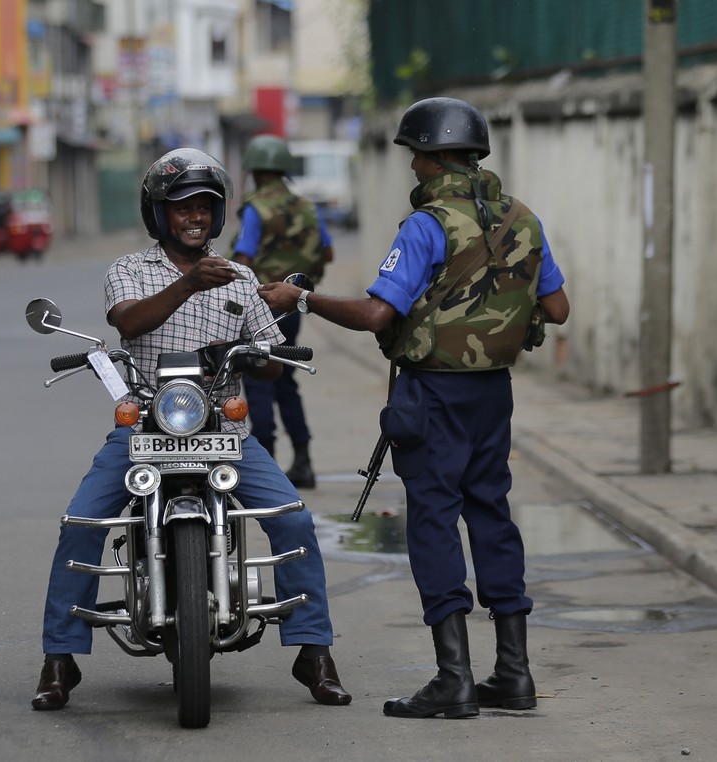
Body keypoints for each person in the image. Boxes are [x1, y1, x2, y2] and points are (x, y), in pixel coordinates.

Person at [259, 97, 570, 720]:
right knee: (492, 516)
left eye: (414, 156)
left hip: (433, 394)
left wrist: (305, 299)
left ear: (429, 157)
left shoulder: (429, 224)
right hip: (493, 393)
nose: (413, 169)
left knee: (433, 520)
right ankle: (514, 673)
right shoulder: (523, 219)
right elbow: (557, 310)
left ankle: (453, 679)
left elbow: (379, 314)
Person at [32, 148, 351, 711]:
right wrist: (189, 286)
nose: (195, 216)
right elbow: (127, 321)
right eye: (182, 208)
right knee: (80, 521)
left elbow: (275, 359)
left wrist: (248, 353)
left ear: (219, 213)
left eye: (205, 206)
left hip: (225, 432)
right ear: (159, 214)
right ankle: (60, 659)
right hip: (146, 426)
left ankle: (314, 652)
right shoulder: (130, 270)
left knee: (294, 519)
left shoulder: (242, 278)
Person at [231, 134, 335, 489]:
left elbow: (243, 257)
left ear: (256, 171)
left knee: (259, 377)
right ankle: (303, 459)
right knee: (286, 376)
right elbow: (328, 252)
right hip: (296, 300)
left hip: (260, 302)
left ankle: (266, 463)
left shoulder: (254, 208)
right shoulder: (306, 206)